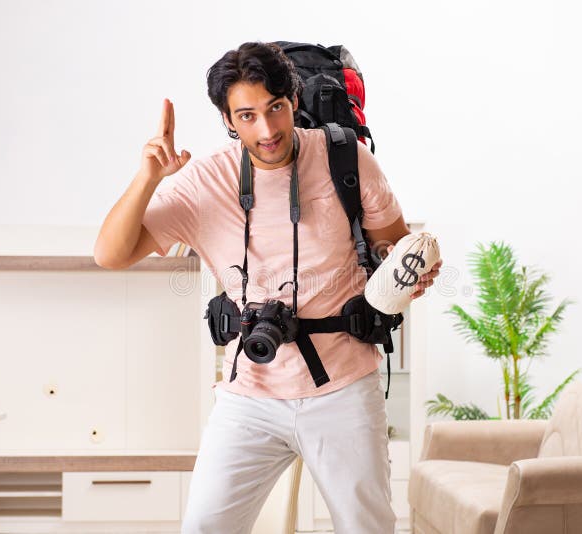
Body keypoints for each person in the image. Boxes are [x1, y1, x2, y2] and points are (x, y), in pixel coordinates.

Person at [94, 41, 442, 534]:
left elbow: (392, 243)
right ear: (227, 119)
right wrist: (148, 177)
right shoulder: (204, 182)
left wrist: (408, 270)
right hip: (250, 392)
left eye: (275, 108)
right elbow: (110, 254)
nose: (267, 130)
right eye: (247, 115)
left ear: (294, 100)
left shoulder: (346, 156)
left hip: (343, 387)